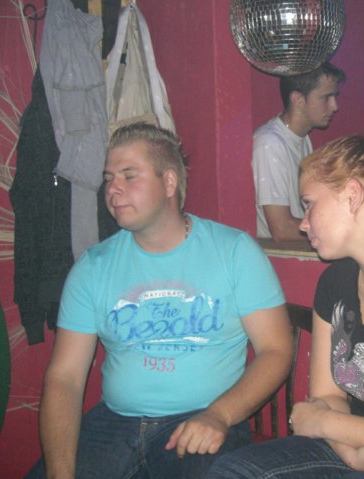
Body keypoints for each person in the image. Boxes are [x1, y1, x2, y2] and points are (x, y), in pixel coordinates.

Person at [27, 122, 294, 478]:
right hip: (113, 423)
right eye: (109, 178)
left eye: (129, 176)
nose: (113, 189)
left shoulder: (234, 251)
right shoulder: (92, 267)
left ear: (169, 182)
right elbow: (65, 378)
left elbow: (276, 350)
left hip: (204, 416)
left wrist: (220, 415)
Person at [211, 135, 364, 478]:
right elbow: (326, 398)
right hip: (345, 448)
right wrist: (355, 456)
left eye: (309, 204)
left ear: (352, 196)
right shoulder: (334, 281)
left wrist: (323, 423)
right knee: (230, 471)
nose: (303, 223)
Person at [253, 62, 345, 241]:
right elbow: (281, 229)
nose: (335, 106)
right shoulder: (269, 143)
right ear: (298, 99)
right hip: (275, 255)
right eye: (326, 97)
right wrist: (340, 231)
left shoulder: (302, 139)